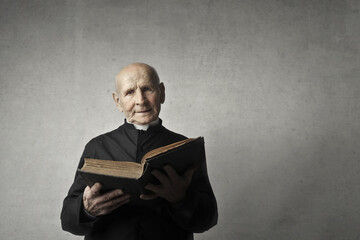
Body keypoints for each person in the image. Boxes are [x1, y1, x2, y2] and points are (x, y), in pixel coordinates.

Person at [60, 63, 218, 240]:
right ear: (118, 102)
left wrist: (181, 200)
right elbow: (67, 221)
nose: (141, 100)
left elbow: (208, 220)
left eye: (147, 89)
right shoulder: (96, 146)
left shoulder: (185, 147)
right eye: (129, 92)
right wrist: (86, 210)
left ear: (162, 92)